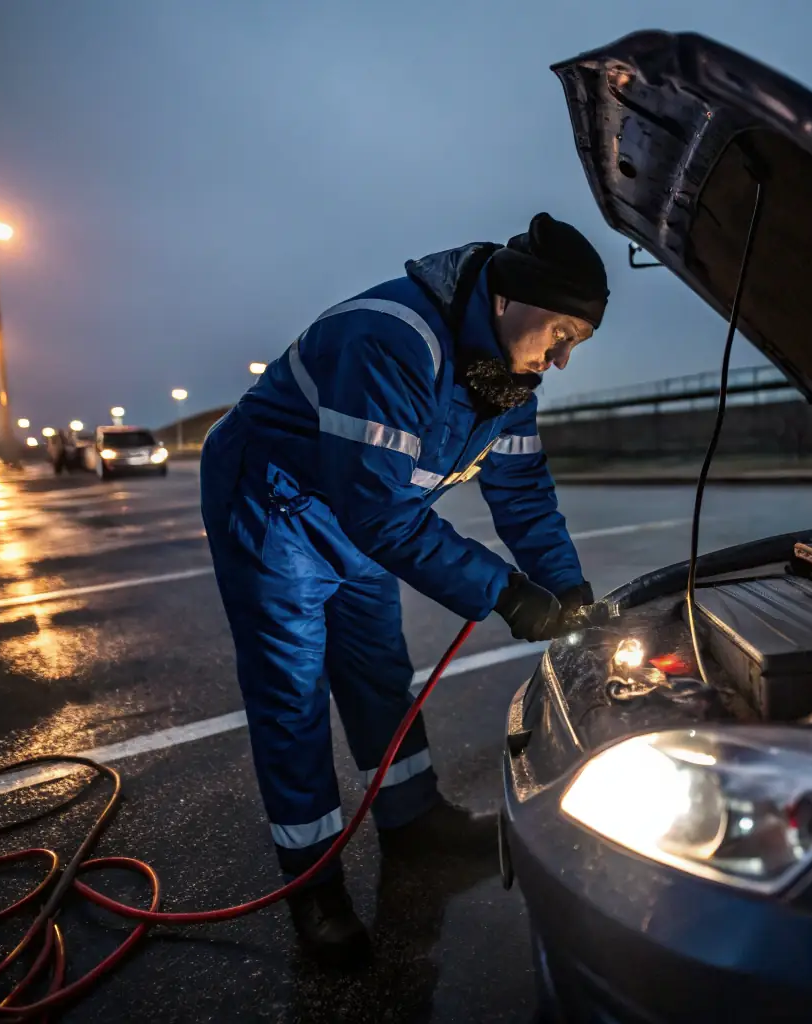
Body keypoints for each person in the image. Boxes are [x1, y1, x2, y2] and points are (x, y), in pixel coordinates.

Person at [199, 213, 607, 965]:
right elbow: (377, 509)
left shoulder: (507, 379)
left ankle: (412, 819)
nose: (561, 360)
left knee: (379, 670)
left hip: (361, 515)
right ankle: (312, 879)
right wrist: (506, 594)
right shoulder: (391, 337)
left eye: (576, 344)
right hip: (274, 508)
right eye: (562, 334)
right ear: (510, 300)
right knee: (291, 691)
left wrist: (564, 585)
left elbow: (521, 491)